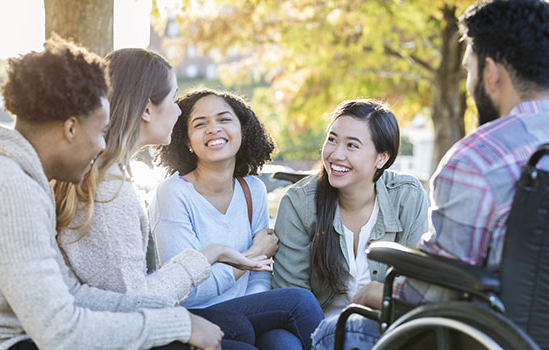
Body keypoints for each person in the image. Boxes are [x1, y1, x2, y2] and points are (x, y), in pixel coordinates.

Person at [0, 36, 222, 350]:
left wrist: (174, 316)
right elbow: (62, 332)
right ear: (70, 129)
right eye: (99, 131)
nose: (102, 145)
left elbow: (72, 294)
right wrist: (174, 324)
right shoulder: (4, 186)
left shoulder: (18, 178)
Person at [53, 48, 275, 350]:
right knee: (257, 328)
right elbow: (134, 303)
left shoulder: (106, 178)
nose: (179, 111)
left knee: (242, 330)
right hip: (110, 334)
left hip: (112, 325)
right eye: (173, 99)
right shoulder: (109, 191)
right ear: (147, 110)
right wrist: (211, 257)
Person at [395, 0, 549, 305]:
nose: (468, 84)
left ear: (491, 72)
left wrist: (381, 293)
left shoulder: (478, 159)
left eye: (469, 69)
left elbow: (432, 295)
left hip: (489, 335)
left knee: (334, 329)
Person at [152, 89, 324, 350]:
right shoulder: (173, 193)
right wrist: (252, 256)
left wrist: (255, 310)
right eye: (200, 124)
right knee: (300, 302)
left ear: (242, 131)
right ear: (187, 141)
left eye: (224, 119)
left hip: (245, 314)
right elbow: (186, 291)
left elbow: (260, 276)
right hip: (194, 316)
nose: (213, 129)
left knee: (284, 344)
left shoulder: (252, 190)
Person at [270, 99, 429, 350]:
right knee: (280, 341)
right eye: (332, 140)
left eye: (352, 145)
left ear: (382, 158)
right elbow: (292, 299)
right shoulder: (299, 203)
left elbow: (416, 289)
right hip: (314, 330)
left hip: (381, 331)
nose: (336, 154)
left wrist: (376, 294)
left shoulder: (407, 196)